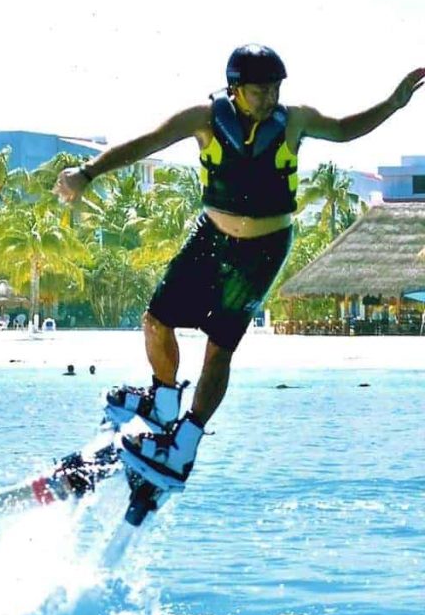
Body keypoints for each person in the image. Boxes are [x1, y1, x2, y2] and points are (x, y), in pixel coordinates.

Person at [54, 44, 423, 490]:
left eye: (273, 90)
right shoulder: (203, 118)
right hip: (210, 238)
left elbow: (344, 130)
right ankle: (164, 401)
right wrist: (88, 173)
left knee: (220, 347)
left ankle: (186, 441)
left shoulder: (295, 120)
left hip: (264, 250)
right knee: (156, 320)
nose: (268, 99)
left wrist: (392, 104)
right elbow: (145, 144)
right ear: (234, 88)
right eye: (257, 91)